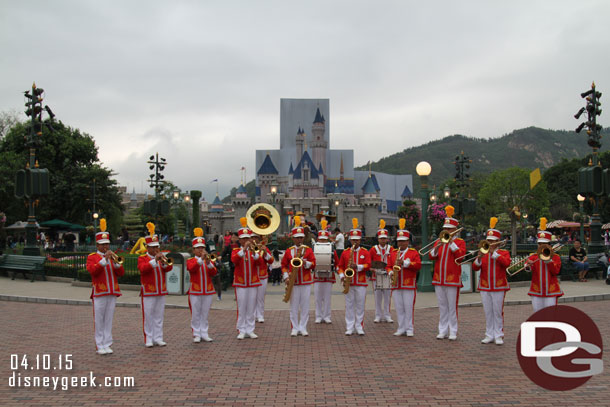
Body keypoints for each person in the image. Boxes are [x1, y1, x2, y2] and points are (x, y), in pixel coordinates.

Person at [86, 219, 125, 355]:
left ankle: (107, 343)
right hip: (99, 291)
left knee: (109, 319)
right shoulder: (93, 257)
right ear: (97, 245)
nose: (105, 247)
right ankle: (99, 344)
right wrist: (104, 260)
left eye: (107, 244)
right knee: (99, 319)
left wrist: (117, 264)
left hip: (112, 291)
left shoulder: (112, 257)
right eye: (102, 245)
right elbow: (92, 271)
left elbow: (121, 273)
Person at [471, 217, 510, 346]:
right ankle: (489, 334)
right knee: (488, 311)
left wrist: (495, 254)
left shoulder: (503, 253)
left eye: (493, 241)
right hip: (485, 286)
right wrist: (478, 258)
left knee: (497, 311)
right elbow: (475, 267)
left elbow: (506, 264)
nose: (490, 243)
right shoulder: (483, 253)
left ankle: (498, 335)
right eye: (488, 241)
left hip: (499, 286)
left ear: (498, 242)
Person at [429, 205, 466, 341]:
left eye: (450, 229)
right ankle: (442, 330)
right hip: (439, 278)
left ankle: (453, 330)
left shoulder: (460, 242)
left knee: (452, 306)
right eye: (445, 229)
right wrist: (437, 246)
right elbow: (432, 256)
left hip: (452, 278)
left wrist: (451, 243)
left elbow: (460, 257)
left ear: (455, 230)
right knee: (442, 306)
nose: (447, 231)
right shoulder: (439, 241)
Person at [138, 222, 172, 347]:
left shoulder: (160, 257)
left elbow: (168, 268)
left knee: (159, 315)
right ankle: (148, 338)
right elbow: (143, 269)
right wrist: (154, 261)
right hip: (148, 291)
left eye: (157, 246)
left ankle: (158, 337)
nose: (156, 249)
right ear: (148, 248)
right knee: (148, 315)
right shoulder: (143, 258)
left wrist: (163, 262)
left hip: (160, 290)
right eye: (153, 247)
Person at [281, 216, 316, 336]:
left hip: (305, 281)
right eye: (297, 238)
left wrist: (305, 262)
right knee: (294, 306)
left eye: (301, 237)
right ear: (293, 238)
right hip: (293, 282)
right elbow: (284, 265)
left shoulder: (308, 250)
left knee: (305, 305)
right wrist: (286, 277)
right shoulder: (289, 251)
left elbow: (313, 264)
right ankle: (295, 327)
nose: (299, 240)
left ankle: (303, 327)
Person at [386, 219, 421, 337]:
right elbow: (388, 266)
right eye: (399, 241)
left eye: (403, 241)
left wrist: (405, 263)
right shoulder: (393, 253)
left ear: (408, 241)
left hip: (408, 284)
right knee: (399, 307)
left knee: (408, 307)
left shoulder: (413, 252)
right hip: (396, 284)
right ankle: (401, 327)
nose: (400, 244)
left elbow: (418, 266)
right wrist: (390, 272)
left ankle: (409, 328)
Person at [338, 218, 371, 336]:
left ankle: (359, 326)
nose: (355, 242)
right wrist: (342, 275)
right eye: (353, 240)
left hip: (361, 282)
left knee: (360, 305)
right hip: (349, 282)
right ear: (350, 240)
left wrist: (357, 266)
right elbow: (339, 266)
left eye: (357, 240)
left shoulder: (365, 252)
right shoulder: (346, 252)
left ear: (360, 240)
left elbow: (368, 265)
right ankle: (350, 326)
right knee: (349, 305)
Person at [231, 218, 262, 340]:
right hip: (241, 282)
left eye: (247, 238)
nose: (246, 241)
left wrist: (254, 253)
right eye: (243, 239)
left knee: (251, 306)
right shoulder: (236, 251)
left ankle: (250, 329)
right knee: (242, 306)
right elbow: (234, 260)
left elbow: (260, 263)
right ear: (239, 240)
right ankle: (241, 329)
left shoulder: (254, 251)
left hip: (253, 282)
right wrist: (244, 250)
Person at [186, 228, 217, 343]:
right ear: (194, 250)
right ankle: (196, 333)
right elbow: (191, 269)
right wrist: (201, 260)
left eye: (202, 248)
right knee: (195, 313)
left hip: (208, 290)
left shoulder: (208, 260)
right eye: (198, 248)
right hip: (195, 290)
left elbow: (214, 272)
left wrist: (208, 263)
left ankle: (204, 332)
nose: (201, 250)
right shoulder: (191, 260)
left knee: (205, 313)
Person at [525, 217, 563, 312]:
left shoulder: (555, 257)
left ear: (549, 245)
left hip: (551, 290)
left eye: (544, 244)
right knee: (537, 314)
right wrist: (528, 266)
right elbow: (527, 267)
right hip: (536, 289)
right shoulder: (533, 256)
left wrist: (548, 261)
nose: (541, 246)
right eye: (540, 244)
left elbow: (556, 271)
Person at [313, 219, 338, 324]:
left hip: (328, 276)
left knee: (327, 298)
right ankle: (318, 316)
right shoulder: (314, 249)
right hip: (318, 276)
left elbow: (336, 262)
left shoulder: (332, 249)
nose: (323, 241)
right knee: (318, 298)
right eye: (321, 240)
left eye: (324, 239)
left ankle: (327, 316)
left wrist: (336, 270)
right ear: (318, 239)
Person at [369, 219, 393, 323]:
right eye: (381, 239)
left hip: (388, 275)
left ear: (387, 239)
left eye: (384, 238)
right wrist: (373, 270)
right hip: (376, 275)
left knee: (387, 297)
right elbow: (368, 263)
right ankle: (378, 315)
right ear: (378, 239)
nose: (383, 240)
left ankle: (387, 315)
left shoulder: (391, 249)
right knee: (378, 298)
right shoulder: (373, 249)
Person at [253, 233, 273, 323]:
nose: (254, 239)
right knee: (252, 297)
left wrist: (265, 252)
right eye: (252, 237)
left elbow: (271, 260)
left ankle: (260, 315)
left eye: (255, 238)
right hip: (252, 276)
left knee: (260, 297)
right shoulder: (249, 248)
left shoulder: (264, 247)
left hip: (262, 275)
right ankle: (252, 314)